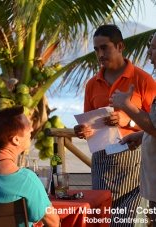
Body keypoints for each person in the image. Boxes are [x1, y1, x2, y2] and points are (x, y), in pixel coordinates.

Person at [74, 24, 156, 226]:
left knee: (123, 222)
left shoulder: (143, 80)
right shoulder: (92, 83)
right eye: (96, 50)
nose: (100, 54)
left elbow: (153, 125)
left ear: (120, 46)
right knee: (100, 220)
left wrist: (127, 120)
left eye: (104, 48)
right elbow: (88, 121)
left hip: (132, 159)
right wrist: (82, 130)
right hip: (101, 160)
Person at [0, 106, 60, 227]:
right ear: (16, 140)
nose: (32, 128)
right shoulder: (27, 179)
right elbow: (53, 222)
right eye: (28, 125)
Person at [110, 32, 156, 226]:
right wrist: (141, 135)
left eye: (153, 48)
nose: (149, 54)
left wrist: (127, 106)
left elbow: (154, 126)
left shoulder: (144, 79)